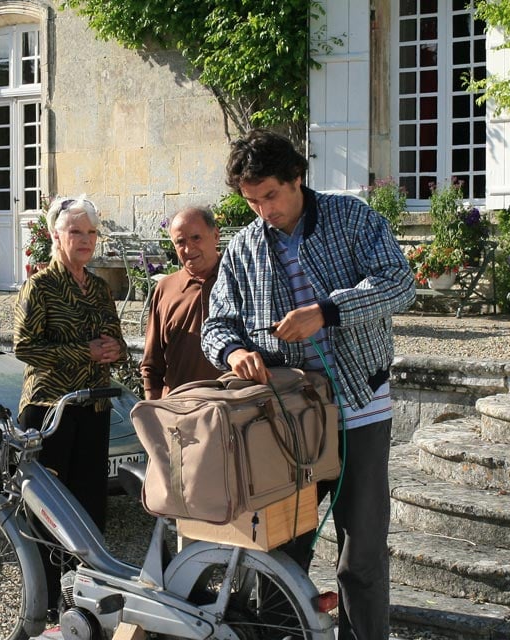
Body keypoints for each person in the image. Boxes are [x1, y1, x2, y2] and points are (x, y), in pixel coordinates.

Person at [200, 130, 415, 640]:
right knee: (278, 547)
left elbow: (399, 282)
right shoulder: (244, 247)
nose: (262, 211)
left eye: (270, 196)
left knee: (361, 548)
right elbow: (217, 325)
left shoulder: (353, 218)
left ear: (298, 178)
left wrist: (327, 312)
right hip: (283, 417)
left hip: (359, 405)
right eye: (251, 201)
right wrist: (234, 352)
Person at [13, 194, 125, 616]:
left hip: (93, 409)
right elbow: (25, 347)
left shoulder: (98, 287)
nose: (85, 240)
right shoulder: (39, 286)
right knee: (48, 510)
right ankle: (39, 599)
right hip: (49, 411)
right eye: (76, 231)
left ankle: (81, 597)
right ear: (55, 235)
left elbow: (113, 341)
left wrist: (116, 350)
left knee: (90, 507)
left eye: (91, 232)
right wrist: (86, 352)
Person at [140, 206, 224, 399]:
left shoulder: (239, 279)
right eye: (180, 242)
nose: (188, 249)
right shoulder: (166, 288)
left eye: (196, 238)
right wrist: (154, 411)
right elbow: (152, 363)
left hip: (235, 409)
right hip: (180, 411)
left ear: (216, 236)